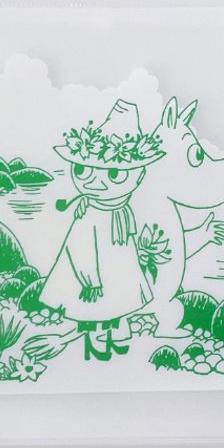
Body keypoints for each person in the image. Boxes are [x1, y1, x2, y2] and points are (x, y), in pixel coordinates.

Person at [39, 100, 165, 361]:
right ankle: (96, 342)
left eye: (115, 173)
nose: (95, 181)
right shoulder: (89, 212)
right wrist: (90, 280)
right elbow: (79, 247)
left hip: (117, 271)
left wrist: (140, 260)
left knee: (118, 304)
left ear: (139, 176)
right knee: (96, 312)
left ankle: (116, 332)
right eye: (82, 170)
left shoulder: (121, 211)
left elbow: (127, 243)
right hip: (92, 280)